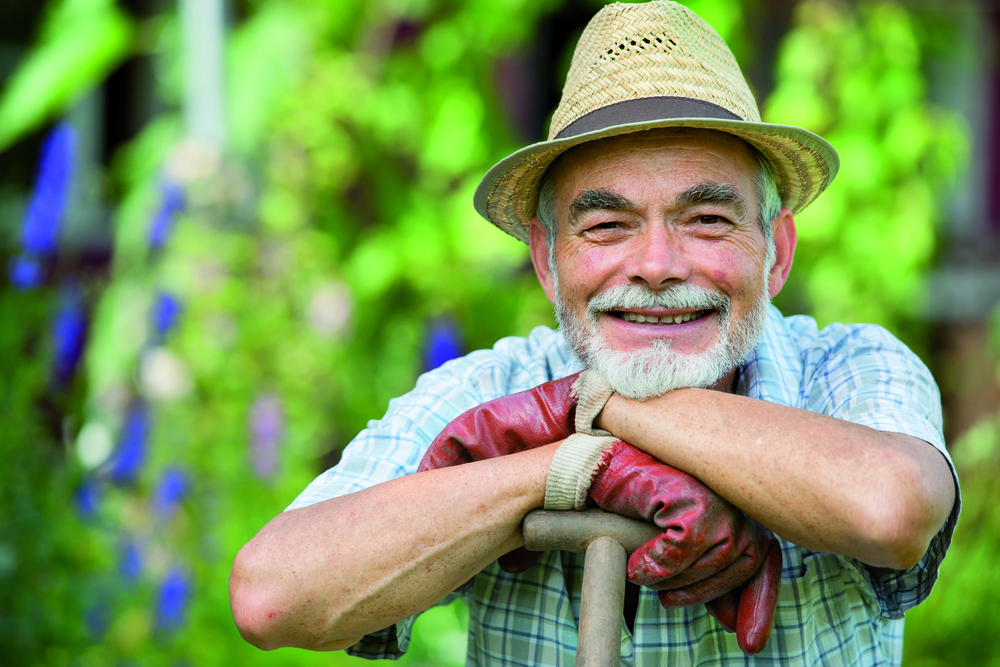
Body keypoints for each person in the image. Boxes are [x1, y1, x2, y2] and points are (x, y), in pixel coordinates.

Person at [229, 2, 959, 664]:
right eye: (607, 226)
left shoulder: (847, 365)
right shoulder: (490, 384)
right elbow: (272, 594)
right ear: (547, 262)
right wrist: (567, 466)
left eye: (706, 219)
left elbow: (891, 506)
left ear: (776, 253)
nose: (655, 265)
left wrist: (596, 403)